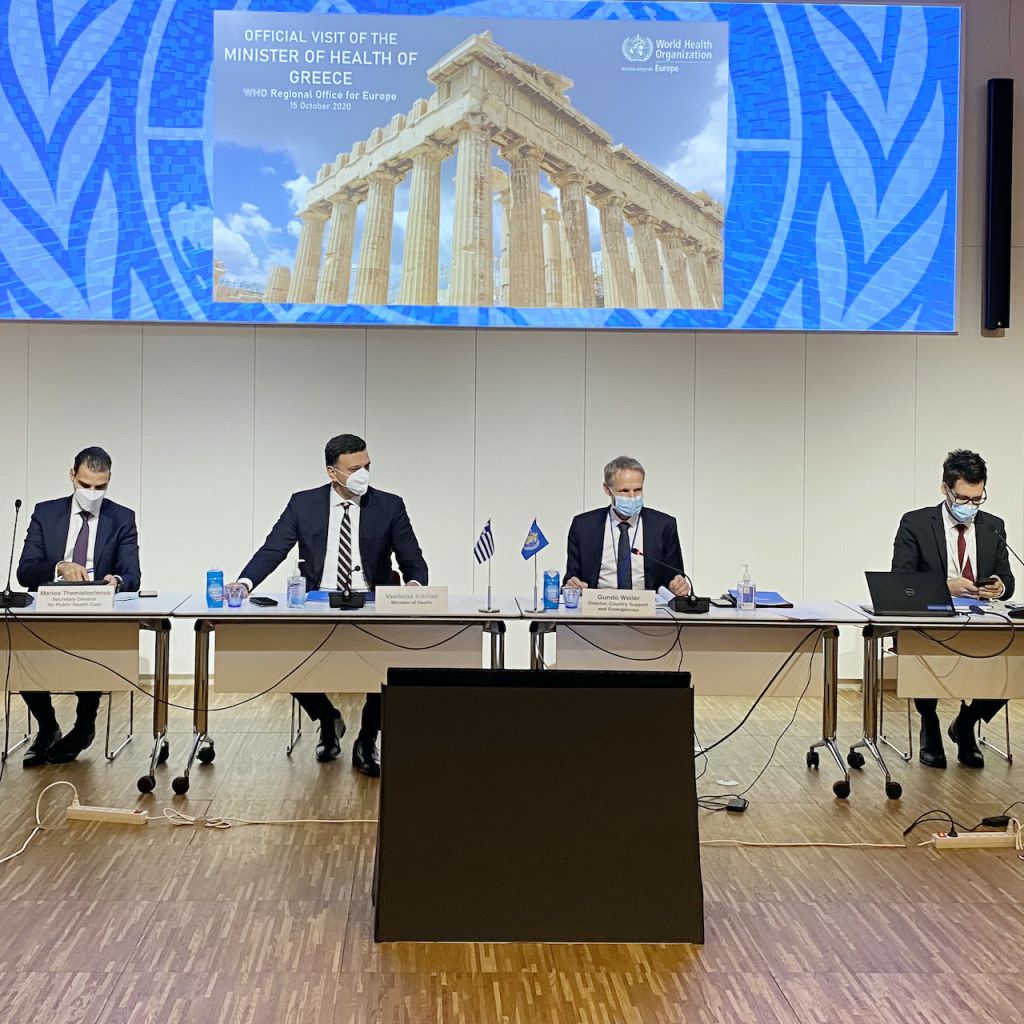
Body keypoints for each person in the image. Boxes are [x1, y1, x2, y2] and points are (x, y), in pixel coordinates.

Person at [235, 433, 427, 776]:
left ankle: (367, 739)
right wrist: (245, 582)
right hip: (317, 599)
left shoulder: (389, 505)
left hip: (372, 600)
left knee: (385, 668)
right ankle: (327, 719)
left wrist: (414, 587)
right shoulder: (303, 504)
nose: (363, 474)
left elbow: (412, 558)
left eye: (367, 466)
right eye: (354, 469)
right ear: (332, 472)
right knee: (287, 660)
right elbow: (273, 549)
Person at [16, 446, 141, 766]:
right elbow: (25, 572)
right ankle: (47, 726)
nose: (92, 493)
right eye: (86, 485)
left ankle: (84, 728)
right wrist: (59, 566)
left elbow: (133, 575)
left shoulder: (122, 518)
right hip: (50, 606)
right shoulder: (46, 513)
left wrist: (116, 580)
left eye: (101, 487)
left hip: (95, 609)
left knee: (92, 647)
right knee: (20, 650)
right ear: (72, 476)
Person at [891, 448, 1015, 769]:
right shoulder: (916, 523)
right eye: (963, 498)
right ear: (945, 489)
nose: (970, 506)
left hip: (982, 620)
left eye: (977, 499)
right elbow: (901, 580)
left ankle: (967, 722)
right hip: (933, 620)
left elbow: (1008, 581)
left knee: (1017, 661)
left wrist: (999, 586)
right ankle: (929, 723)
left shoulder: (993, 526)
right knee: (924, 649)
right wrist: (947, 587)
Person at [565, 456, 690, 598]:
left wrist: (677, 586)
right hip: (598, 606)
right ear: (607, 489)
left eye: (637, 490)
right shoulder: (583, 526)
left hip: (649, 607)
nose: (632, 496)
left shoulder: (663, 525)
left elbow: (675, 577)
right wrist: (573, 585)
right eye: (624, 491)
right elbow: (571, 579)